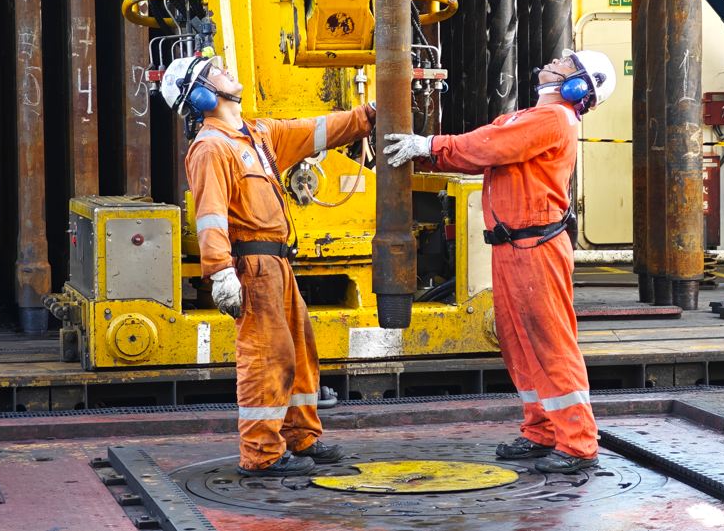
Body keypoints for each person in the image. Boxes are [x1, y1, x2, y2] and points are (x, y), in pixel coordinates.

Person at [383, 49, 616, 474]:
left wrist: (429, 145)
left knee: (549, 345)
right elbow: (481, 147)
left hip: (535, 250)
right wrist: (429, 152)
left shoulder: (552, 119)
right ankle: (542, 431)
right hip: (514, 248)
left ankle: (578, 442)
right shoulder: (529, 116)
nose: (554, 62)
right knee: (518, 344)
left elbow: (485, 146)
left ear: (578, 85)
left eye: (567, 63)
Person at [159, 54, 376, 477]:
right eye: (216, 71)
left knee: (299, 352)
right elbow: (211, 216)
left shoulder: (258, 135)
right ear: (203, 94)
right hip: (251, 266)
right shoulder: (211, 147)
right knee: (265, 357)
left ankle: (299, 439)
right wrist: (220, 272)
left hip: (279, 264)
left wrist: (368, 116)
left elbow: (316, 130)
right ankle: (262, 453)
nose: (228, 70)